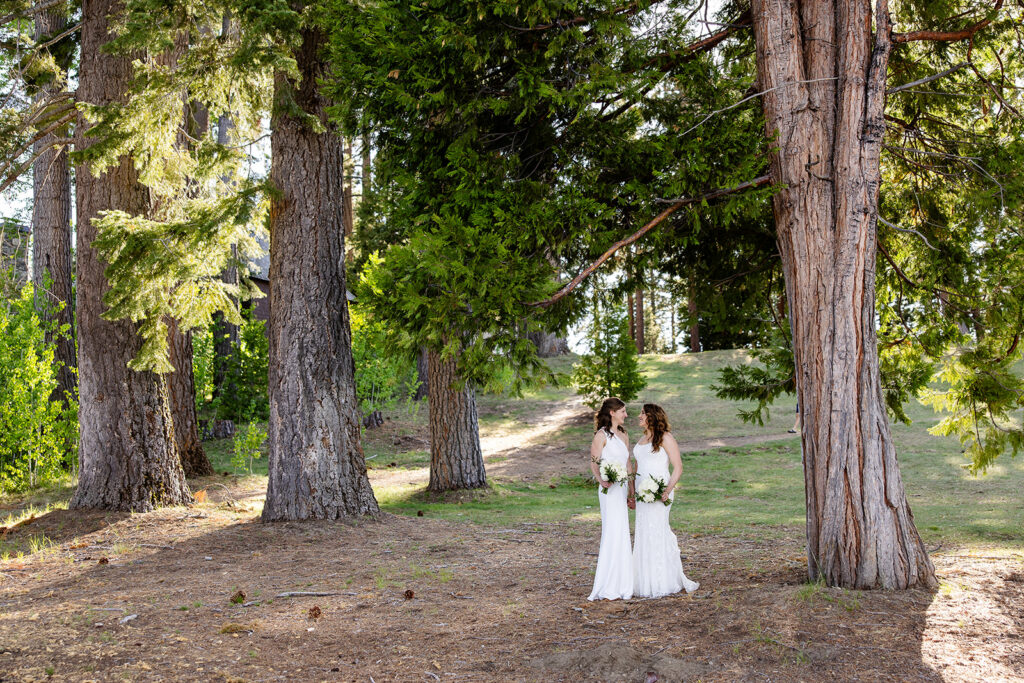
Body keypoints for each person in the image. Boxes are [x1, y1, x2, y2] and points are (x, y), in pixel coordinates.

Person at [631, 403, 699, 598]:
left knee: (658, 531)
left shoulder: (666, 438)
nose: (639, 416)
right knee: (644, 532)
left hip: (660, 492)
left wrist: (667, 491)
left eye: (642, 414)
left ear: (652, 416)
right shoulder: (643, 439)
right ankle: (645, 580)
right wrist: (632, 492)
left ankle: (662, 580)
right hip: (642, 494)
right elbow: (637, 467)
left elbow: (678, 467)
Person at [587, 397, 634, 601]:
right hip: (609, 490)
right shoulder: (601, 435)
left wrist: (631, 491)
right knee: (612, 530)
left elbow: (628, 464)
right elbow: (594, 462)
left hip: (622, 487)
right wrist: (602, 480)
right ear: (612, 412)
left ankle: (624, 579)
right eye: (622, 411)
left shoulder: (623, 434)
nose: (626, 415)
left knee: (622, 530)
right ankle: (609, 581)